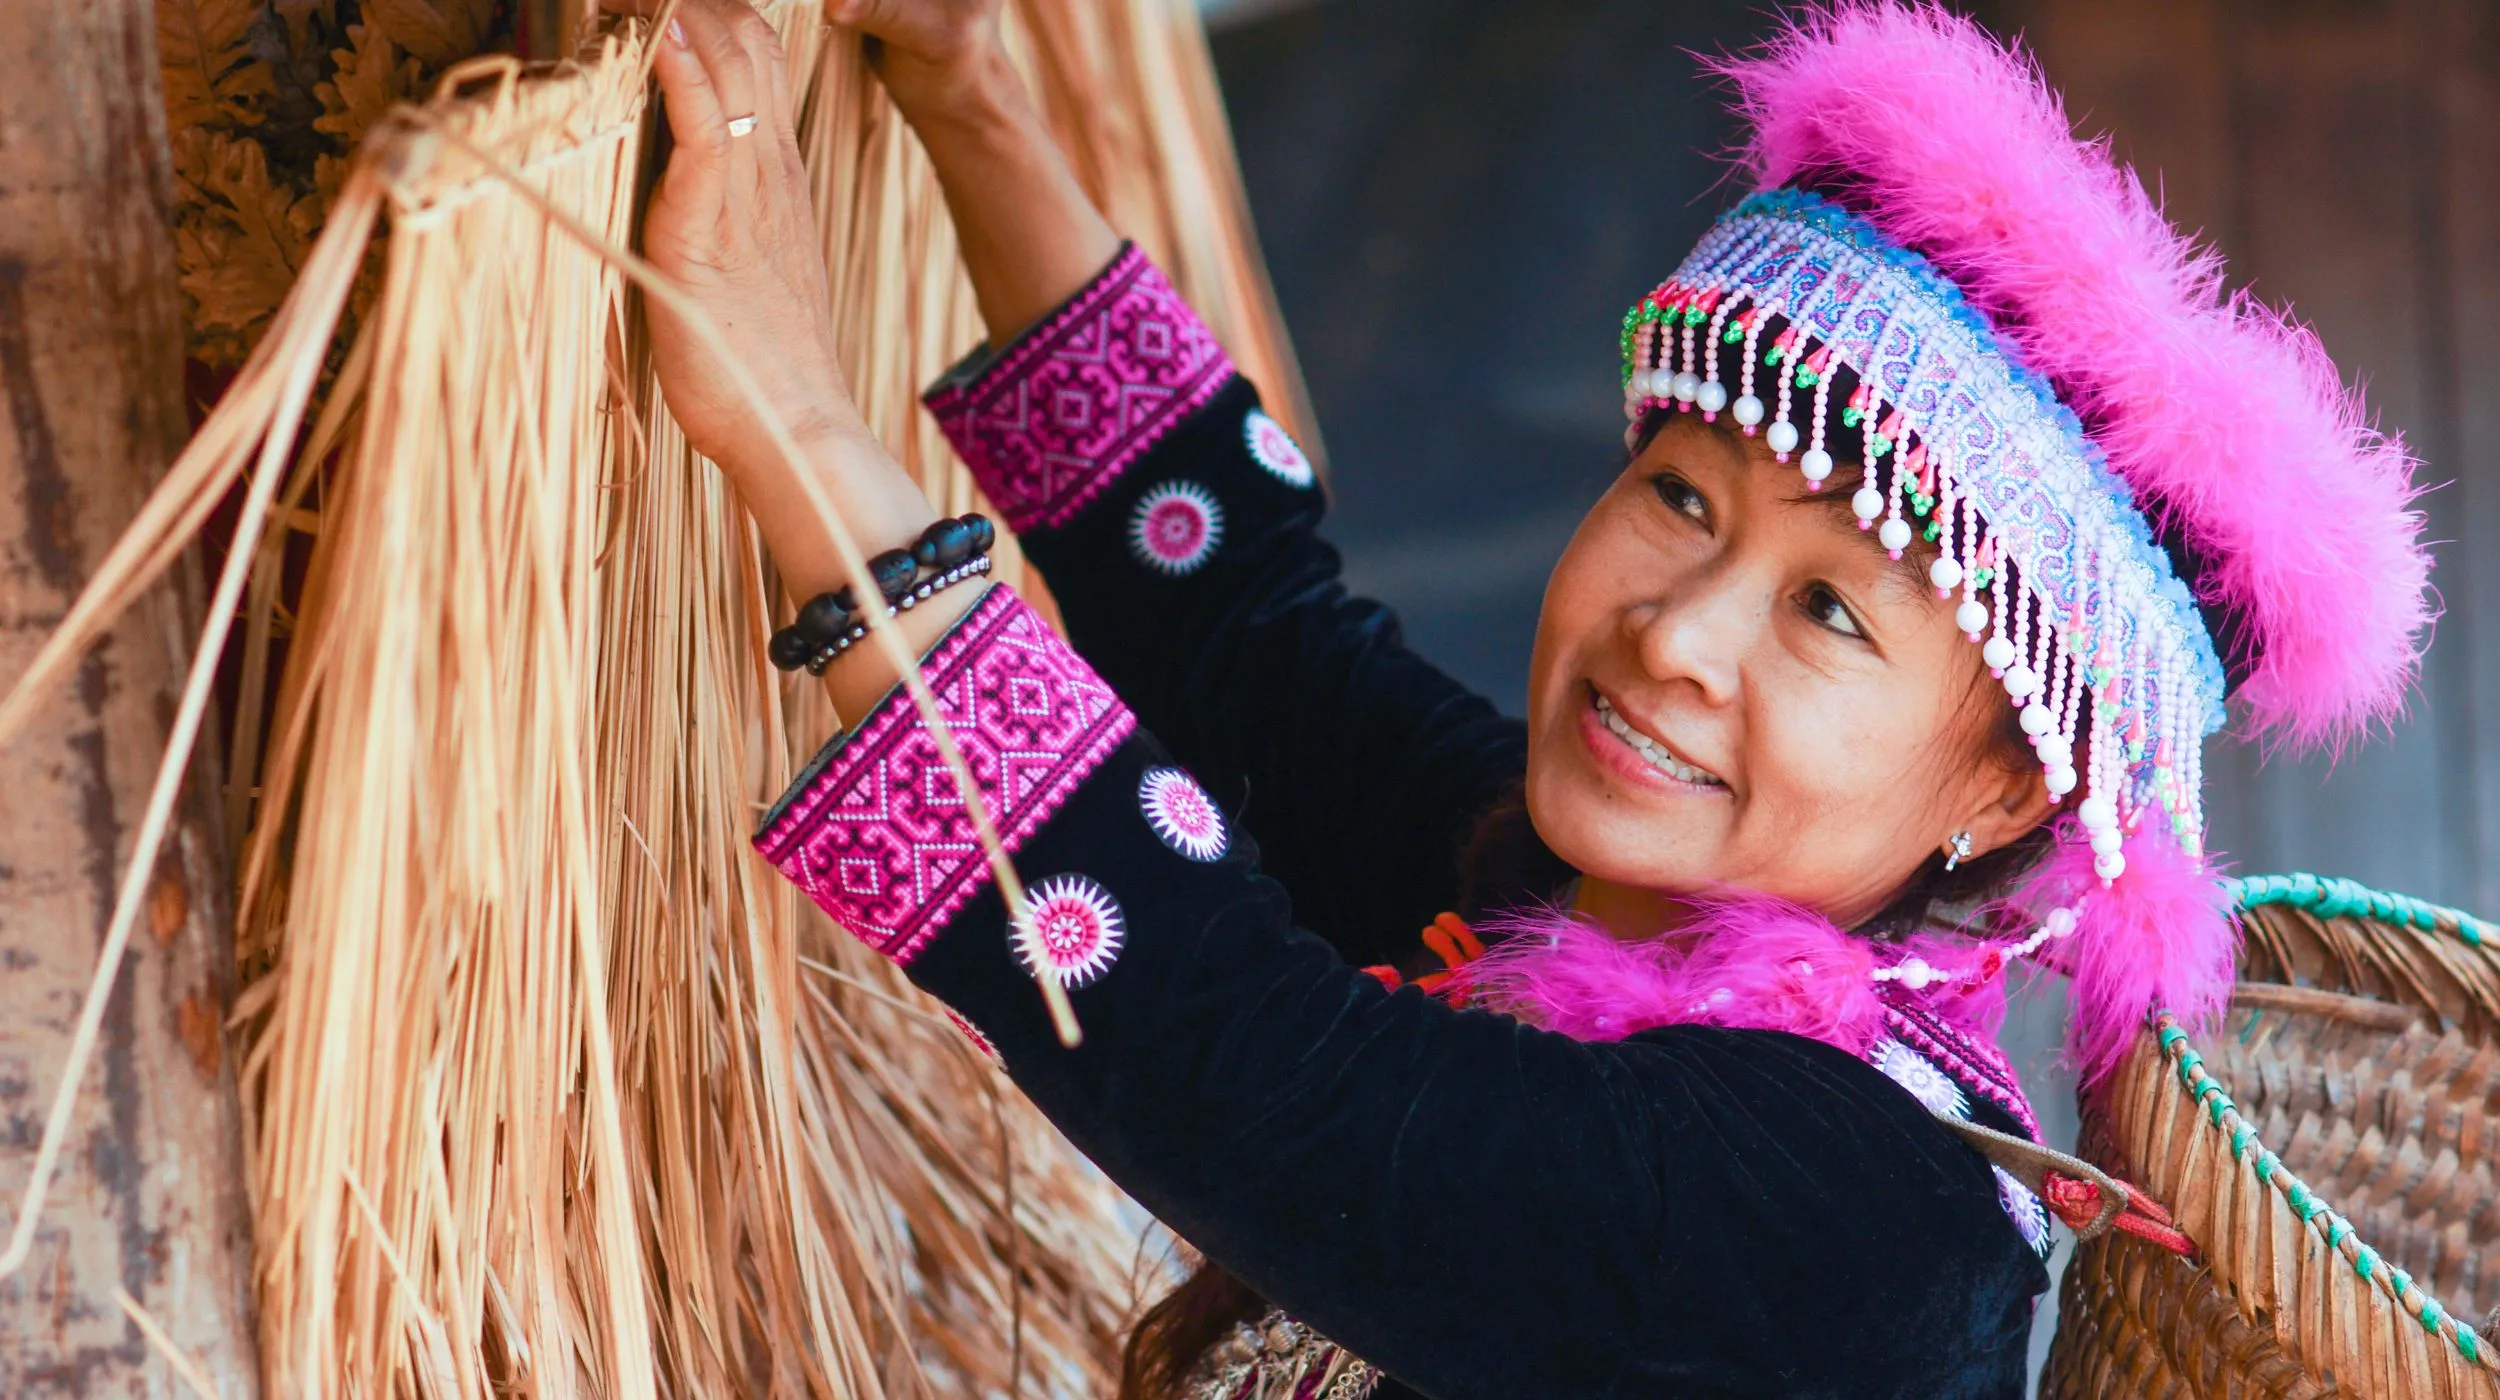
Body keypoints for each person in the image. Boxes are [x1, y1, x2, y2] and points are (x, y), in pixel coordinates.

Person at [628, 0, 2430, 1394]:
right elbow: (1254, 635)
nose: (1677, 635)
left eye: (1827, 612)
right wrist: (966, 86)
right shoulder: (1566, 906)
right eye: (1679, 498)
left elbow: (1257, 1073)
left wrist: (791, 422)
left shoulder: (1852, 1227)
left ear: (2009, 799)